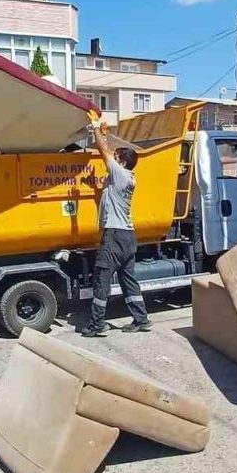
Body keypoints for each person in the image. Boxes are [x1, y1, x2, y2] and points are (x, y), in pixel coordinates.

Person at [82, 117, 152, 337]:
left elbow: (104, 151)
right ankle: (141, 319)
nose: (113, 157)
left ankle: (97, 324)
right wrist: (104, 134)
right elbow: (106, 191)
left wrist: (95, 128)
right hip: (127, 236)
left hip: (114, 235)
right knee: (127, 278)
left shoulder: (120, 174)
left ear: (121, 162)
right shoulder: (126, 178)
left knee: (102, 277)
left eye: (117, 156)